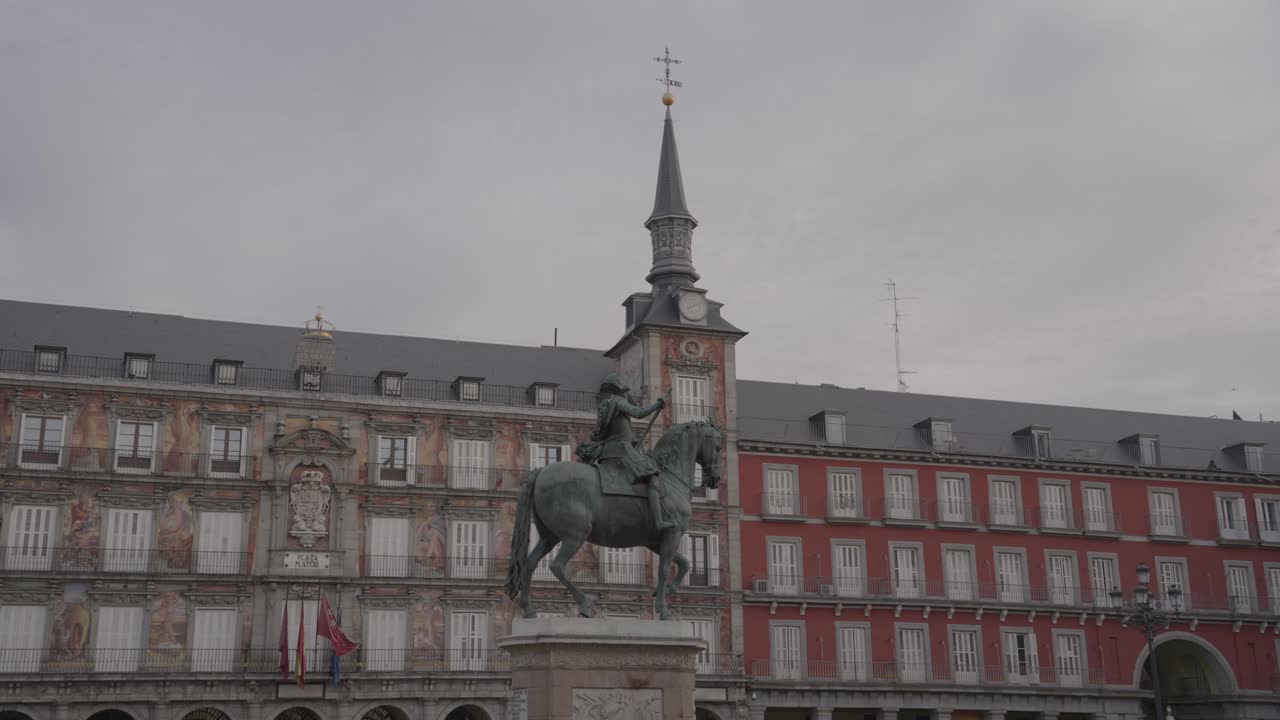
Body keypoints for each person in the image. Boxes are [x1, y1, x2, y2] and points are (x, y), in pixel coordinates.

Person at [577, 373, 672, 530]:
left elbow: (610, 433)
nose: (625, 394)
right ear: (618, 389)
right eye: (623, 391)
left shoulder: (604, 406)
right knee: (652, 477)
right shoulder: (618, 401)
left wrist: (632, 441)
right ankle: (658, 521)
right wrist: (659, 403)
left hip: (607, 453)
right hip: (621, 452)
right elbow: (639, 413)